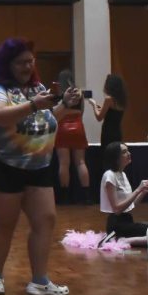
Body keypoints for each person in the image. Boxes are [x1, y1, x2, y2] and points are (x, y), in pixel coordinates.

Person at [0, 38, 81, 295]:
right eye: (21, 62)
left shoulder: (37, 87)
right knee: (5, 224)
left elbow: (44, 118)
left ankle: (39, 280)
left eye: (30, 61)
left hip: (38, 164)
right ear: (7, 64)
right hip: (2, 163)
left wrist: (63, 106)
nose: (27, 66)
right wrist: (35, 104)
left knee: (46, 219)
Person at [99, 141, 148, 239]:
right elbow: (117, 210)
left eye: (127, 151)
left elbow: (131, 206)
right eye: (124, 152)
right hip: (117, 225)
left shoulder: (122, 174)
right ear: (116, 157)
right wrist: (138, 189)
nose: (129, 154)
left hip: (127, 221)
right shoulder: (109, 175)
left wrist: (144, 191)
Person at [53, 68, 90, 204]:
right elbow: (82, 111)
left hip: (63, 128)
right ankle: (86, 195)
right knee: (81, 162)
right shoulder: (79, 94)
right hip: (78, 127)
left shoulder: (62, 95)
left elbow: (55, 115)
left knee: (64, 163)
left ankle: (64, 196)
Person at [88, 74, 126, 150]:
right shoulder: (121, 101)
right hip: (117, 133)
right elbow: (113, 115)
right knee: (116, 156)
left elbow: (99, 117)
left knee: (106, 156)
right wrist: (101, 108)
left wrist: (94, 104)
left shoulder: (108, 99)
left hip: (108, 133)